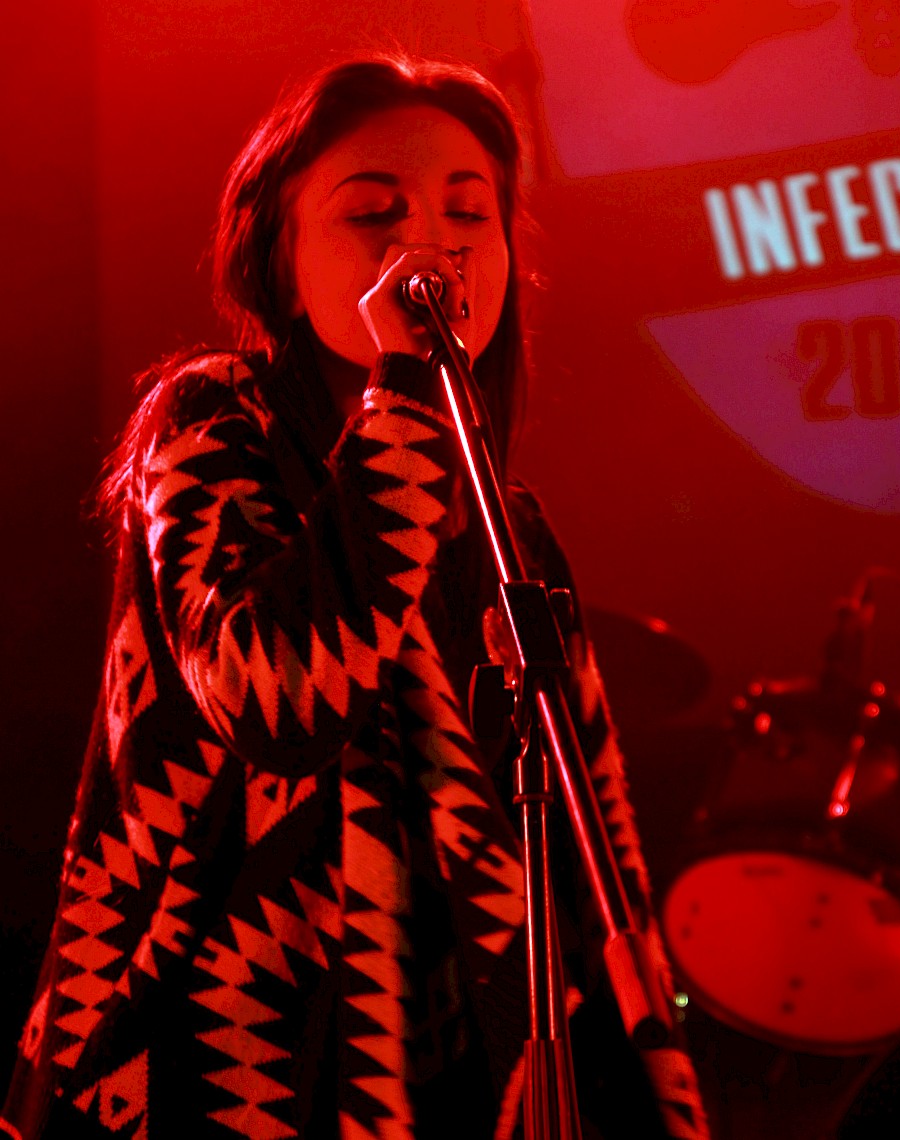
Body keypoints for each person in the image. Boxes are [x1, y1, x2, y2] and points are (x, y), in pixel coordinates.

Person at [3, 55, 706, 1140]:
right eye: (374, 213)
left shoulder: (503, 519)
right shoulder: (210, 424)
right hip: (225, 1064)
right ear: (280, 268)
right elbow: (281, 700)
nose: (428, 245)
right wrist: (407, 396)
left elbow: (589, 834)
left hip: (453, 1066)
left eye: (468, 213)